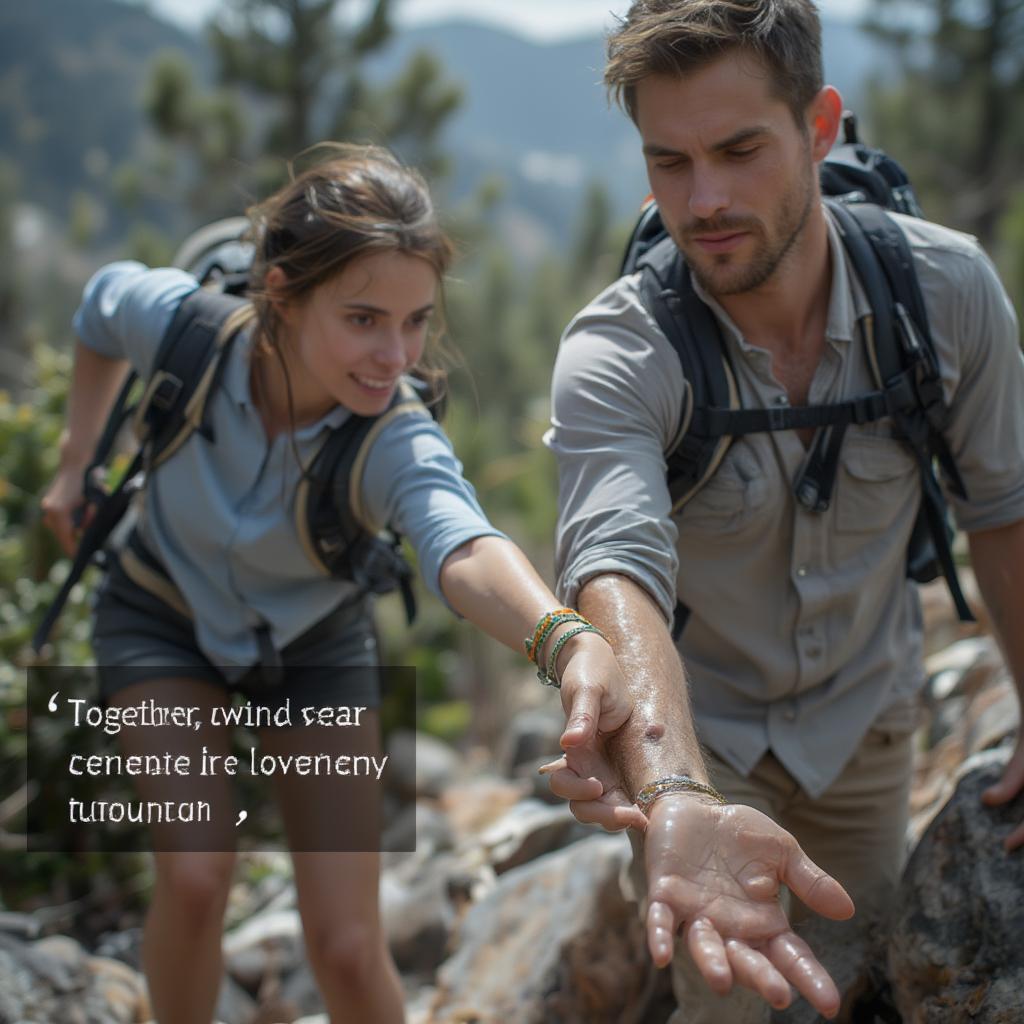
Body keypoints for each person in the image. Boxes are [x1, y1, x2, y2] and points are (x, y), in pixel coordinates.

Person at [39, 144, 634, 1024]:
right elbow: (99, 310)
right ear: (280, 292)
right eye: (363, 319)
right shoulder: (183, 332)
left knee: (350, 948)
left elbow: (460, 542)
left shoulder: (392, 438)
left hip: (313, 648)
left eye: (416, 321)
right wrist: (74, 461)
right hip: (158, 614)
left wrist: (566, 637)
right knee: (198, 874)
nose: (394, 355)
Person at [541, 0, 1024, 1020]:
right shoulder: (618, 353)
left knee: (857, 991)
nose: (703, 198)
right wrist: (672, 791)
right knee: (730, 1000)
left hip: (867, 732)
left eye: (737, 150)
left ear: (817, 126)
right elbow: (613, 568)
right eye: (668, 162)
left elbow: (1004, 508)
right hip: (697, 740)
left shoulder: (944, 295)